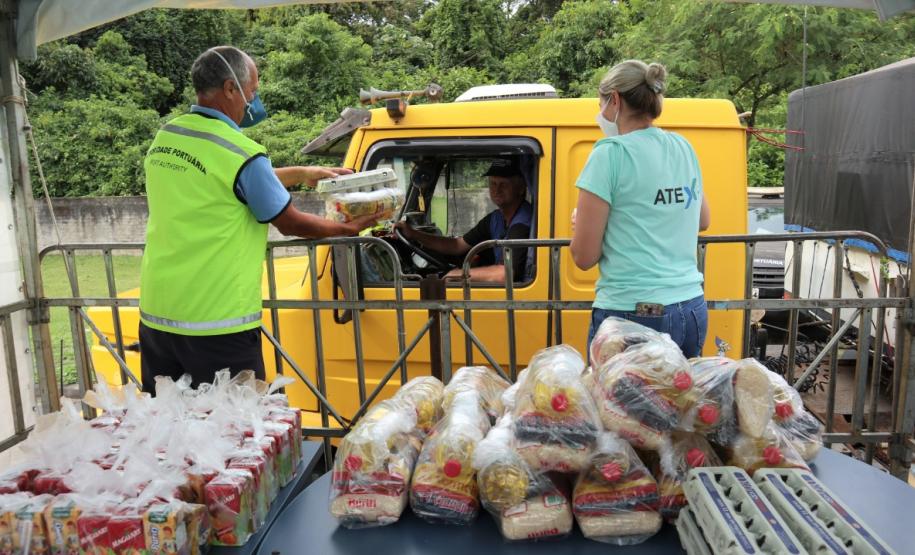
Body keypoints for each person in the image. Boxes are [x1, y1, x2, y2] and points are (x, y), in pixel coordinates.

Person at [138, 46, 381, 393]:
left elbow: (228, 181)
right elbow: (290, 222)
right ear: (230, 88)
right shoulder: (241, 152)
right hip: (216, 322)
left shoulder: (168, 137)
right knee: (237, 433)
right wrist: (347, 228)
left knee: (172, 430)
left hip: (158, 318)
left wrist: (301, 173)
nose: (254, 99)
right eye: (252, 90)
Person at [570, 60, 711, 359]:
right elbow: (703, 219)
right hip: (690, 307)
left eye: (601, 103)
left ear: (616, 100)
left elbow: (583, 257)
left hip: (632, 316)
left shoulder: (610, 155)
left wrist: (583, 225)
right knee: (680, 404)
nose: (601, 113)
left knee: (621, 406)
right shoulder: (683, 147)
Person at [394, 158, 532, 283]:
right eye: (493, 183)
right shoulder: (496, 218)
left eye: (503, 184)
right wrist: (414, 234)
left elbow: (504, 273)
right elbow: (457, 245)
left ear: (520, 188)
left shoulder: (523, 223)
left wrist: (459, 274)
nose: (497, 189)